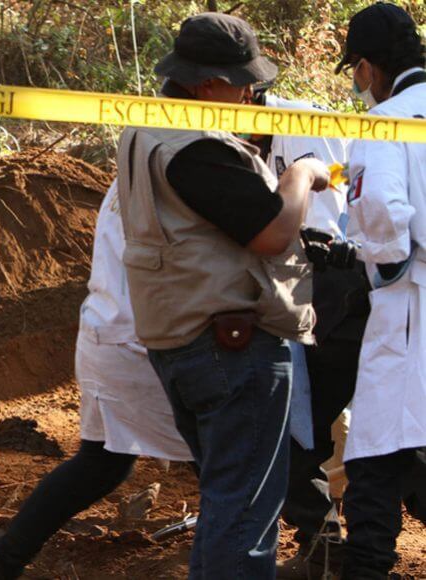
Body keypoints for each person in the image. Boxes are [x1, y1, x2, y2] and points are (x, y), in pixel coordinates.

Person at [117, 13, 330, 578]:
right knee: (245, 518)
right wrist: (303, 175)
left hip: (179, 337)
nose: (251, 93)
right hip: (230, 345)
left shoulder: (143, 127)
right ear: (205, 83)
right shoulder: (197, 146)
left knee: (226, 501)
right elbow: (272, 232)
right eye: (241, 82)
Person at [0, 180, 193, 579]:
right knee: (225, 462)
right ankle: (298, 545)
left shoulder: (140, 162)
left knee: (102, 465)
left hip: (113, 329)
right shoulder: (188, 162)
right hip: (153, 340)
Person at [243, 85, 371, 578]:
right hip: (300, 293)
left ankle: (329, 543)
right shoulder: (216, 132)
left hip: (336, 289)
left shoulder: (305, 129)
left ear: (249, 93)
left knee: (293, 422)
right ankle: (323, 539)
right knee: (301, 424)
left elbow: (321, 225)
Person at [335, 4, 426, 577]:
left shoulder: (386, 121)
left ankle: (366, 567)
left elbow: (384, 219)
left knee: (374, 451)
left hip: (412, 305)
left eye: (356, 69)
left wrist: (384, 277)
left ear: (367, 67)